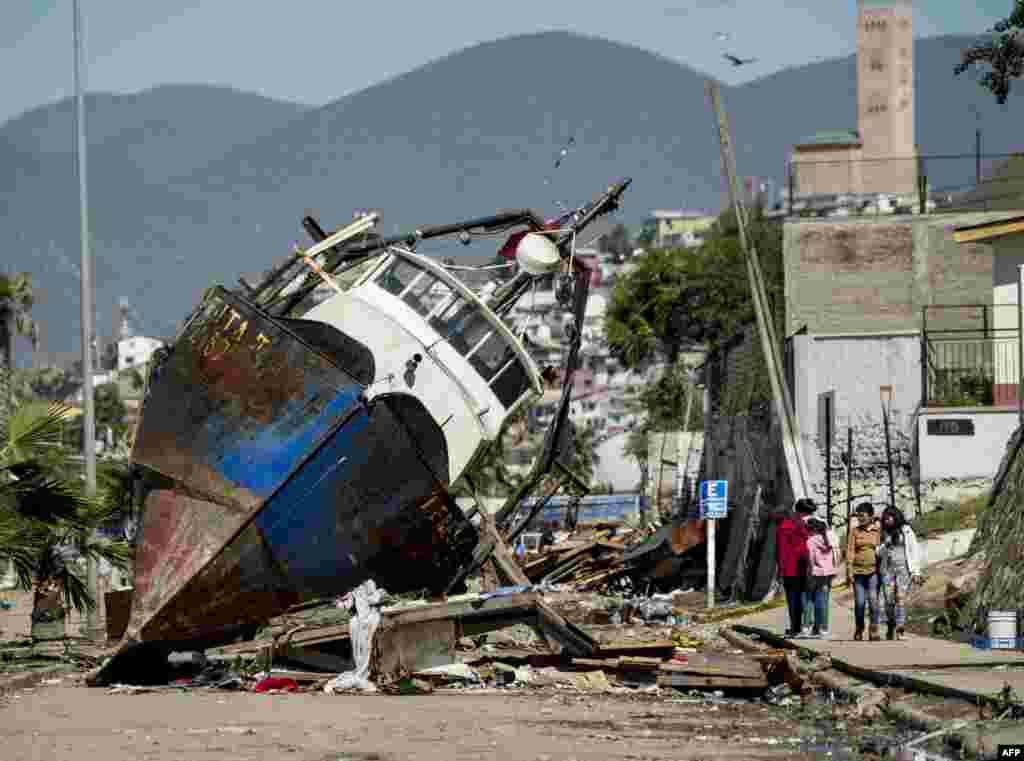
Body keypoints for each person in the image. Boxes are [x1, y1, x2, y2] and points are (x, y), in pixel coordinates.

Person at [877, 505, 923, 641]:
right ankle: (891, 625)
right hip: (888, 570)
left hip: (904, 569)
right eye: (884, 519)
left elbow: (914, 550)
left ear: (895, 517)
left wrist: (916, 571)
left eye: (888, 518)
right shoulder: (884, 533)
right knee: (888, 601)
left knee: (900, 598)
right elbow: (878, 552)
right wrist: (886, 544)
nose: (886, 521)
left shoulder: (906, 531)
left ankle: (900, 629)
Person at [776, 498, 816, 638]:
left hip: (792, 568)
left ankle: (796, 627)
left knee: (794, 599)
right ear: (802, 512)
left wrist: (780, 569)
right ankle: (798, 627)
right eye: (808, 513)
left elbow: (780, 549)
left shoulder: (785, 525)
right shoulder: (799, 526)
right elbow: (785, 549)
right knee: (799, 598)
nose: (809, 516)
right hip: (798, 567)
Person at [846, 502, 882, 641]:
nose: (860, 518)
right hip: (858, 572)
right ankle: (859, 628)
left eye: (863, 515)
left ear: (870, 516)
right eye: (858, 516)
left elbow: (882, 548)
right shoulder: (854, 531)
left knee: (873, 601)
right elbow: (850, 551)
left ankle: (874, 630)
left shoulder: (877, 531)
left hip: (873, 572)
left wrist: (876, 519)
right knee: (860, 603)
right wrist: (849, 570)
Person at [805, 518, 835, 639]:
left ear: (811, 530)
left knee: (813, 600)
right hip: (828, 574)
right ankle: (823, 628)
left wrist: (809, 572)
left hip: (816, 573)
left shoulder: (811, 541)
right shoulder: (826, 538)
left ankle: (811, 626)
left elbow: (811, 559)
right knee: (824, 600)